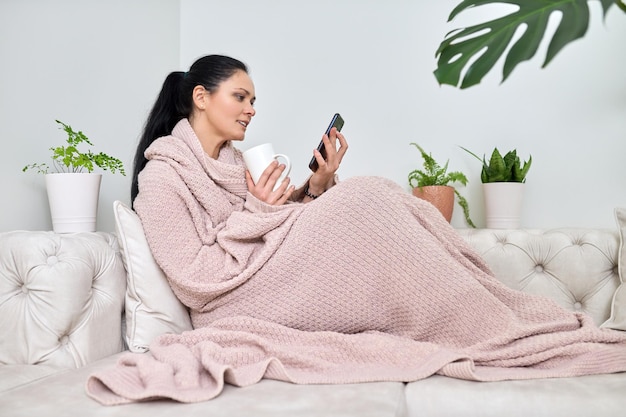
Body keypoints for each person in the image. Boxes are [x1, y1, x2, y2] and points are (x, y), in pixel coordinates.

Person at [108, 53, 626, 404]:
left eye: (254, 101)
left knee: (370, 195)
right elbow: (196, 276)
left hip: (265, 273)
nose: (251, 110)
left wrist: (315, 186)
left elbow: (265, 227)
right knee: (367, 196)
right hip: (233, 301)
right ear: (200, 97)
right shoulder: (163, 178)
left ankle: (491, 312)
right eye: (241, 97)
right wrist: (262, 212)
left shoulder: (234, 162)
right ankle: (488, 321)